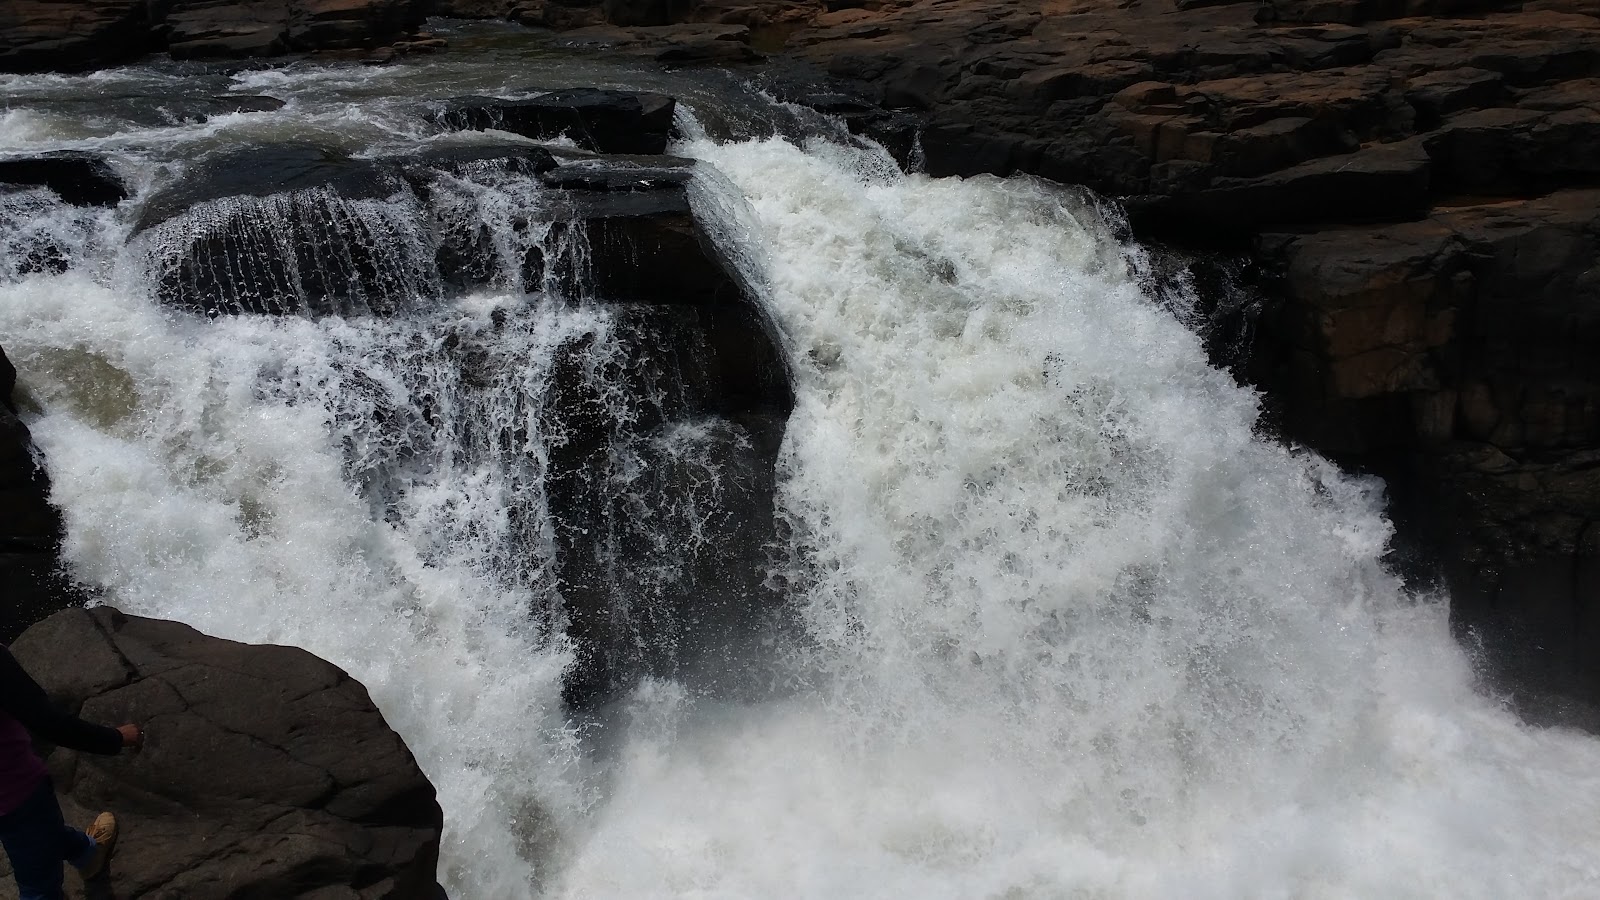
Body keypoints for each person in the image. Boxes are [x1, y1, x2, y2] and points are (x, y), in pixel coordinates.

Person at [0, 645, 141, 900]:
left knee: (37, 835)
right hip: (15, 793)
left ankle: (86, 854)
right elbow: (49, 723)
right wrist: (115, 738)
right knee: (38, 887)